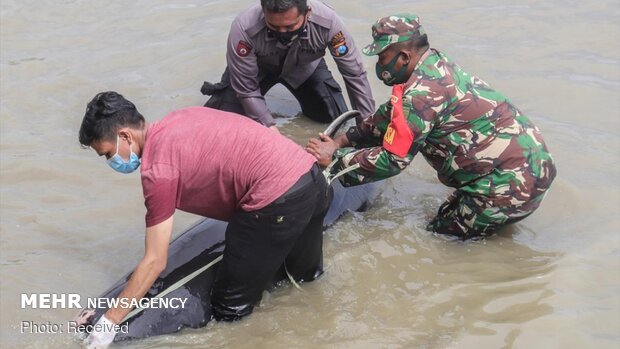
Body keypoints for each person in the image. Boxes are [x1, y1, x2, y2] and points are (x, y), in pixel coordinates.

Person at [78, 92, 330, 348]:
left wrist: (109, 322)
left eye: (107, 154)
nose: (111, 161)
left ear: (124, 136)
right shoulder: (179, 118)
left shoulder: (158, 171)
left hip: (277, 202)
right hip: (311, 179)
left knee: (229, 308)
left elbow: (155, 260)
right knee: (305, 278)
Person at [306, 14, 557, 240]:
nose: (380, 64)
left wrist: (336, 161)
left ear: (404, 56)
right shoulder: (434, 65)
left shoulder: (420, 95)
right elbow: (390, 116)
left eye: (383, 56)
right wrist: (342, 141)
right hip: (534, 166)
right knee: (455, 219)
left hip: (509, 185)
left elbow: (393, 160)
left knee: (438, 239)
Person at [201, 0, 375, 129]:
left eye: (290, 26)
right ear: (263, 12)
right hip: (255, 71)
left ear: (308, 13)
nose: (282, 33)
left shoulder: (328, 23)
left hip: (304, 68)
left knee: (334, 120)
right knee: (223, 125)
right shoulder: (243, 27)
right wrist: (269, 127)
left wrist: (367, 124)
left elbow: (354, 74)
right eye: (274, 27)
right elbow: (246, 90)